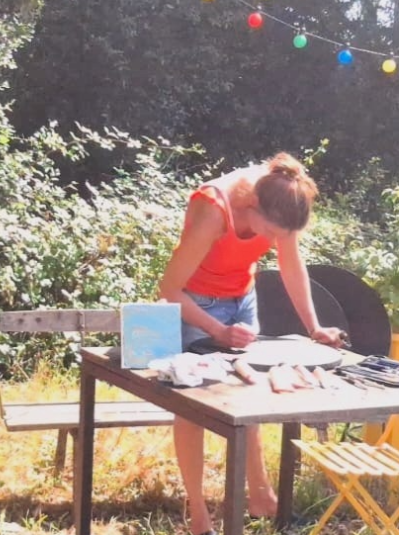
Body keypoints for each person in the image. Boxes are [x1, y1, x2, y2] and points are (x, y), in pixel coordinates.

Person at [157, 152, 344, 535]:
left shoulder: (283, 196)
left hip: (243, 297)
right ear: (251, 206)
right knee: (193, 405)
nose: (276, 241)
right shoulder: (213, 209)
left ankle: (261, 499)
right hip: (196, 303)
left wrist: (315, 327)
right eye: (272, 234)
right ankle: (199, 515)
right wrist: (217, 330)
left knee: (250, 391)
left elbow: (291, 266)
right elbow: (170, 289)